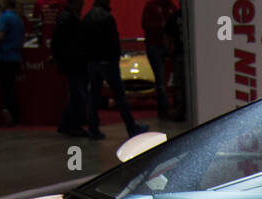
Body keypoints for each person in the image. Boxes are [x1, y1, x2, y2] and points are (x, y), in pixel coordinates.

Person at [83, 0, 147, 138]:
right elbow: (113, 41)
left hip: (93, 62)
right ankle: (131, 127)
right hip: (108, 62)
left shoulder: (87, 18)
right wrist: (115, 57)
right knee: (119, 96)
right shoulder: (107, 17)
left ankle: (93, 129)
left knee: (93, 97)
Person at [53, 0, 88, 136]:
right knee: (77, 95)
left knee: (75, 95)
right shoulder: (68, 18)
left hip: (73, 62)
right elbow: (60, 42)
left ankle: (66, 124)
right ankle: (73, 125)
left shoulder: (67, 18)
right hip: (73, 63)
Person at [141, 0, 176, 119]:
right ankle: (164, 108)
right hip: (155, 46)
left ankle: (171, 107)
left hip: (169, 48)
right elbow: (145, 24)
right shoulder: (151, 6)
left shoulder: (171, 6)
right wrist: (162, 26)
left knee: (170, 79)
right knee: (160, 79)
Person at [0, 0, 24, 125]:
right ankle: (16, 116)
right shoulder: (18, 19)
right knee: (11, 88)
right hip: (15, 57)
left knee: (5, 89)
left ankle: (10, 117)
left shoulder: (4, 18)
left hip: (4, 57)